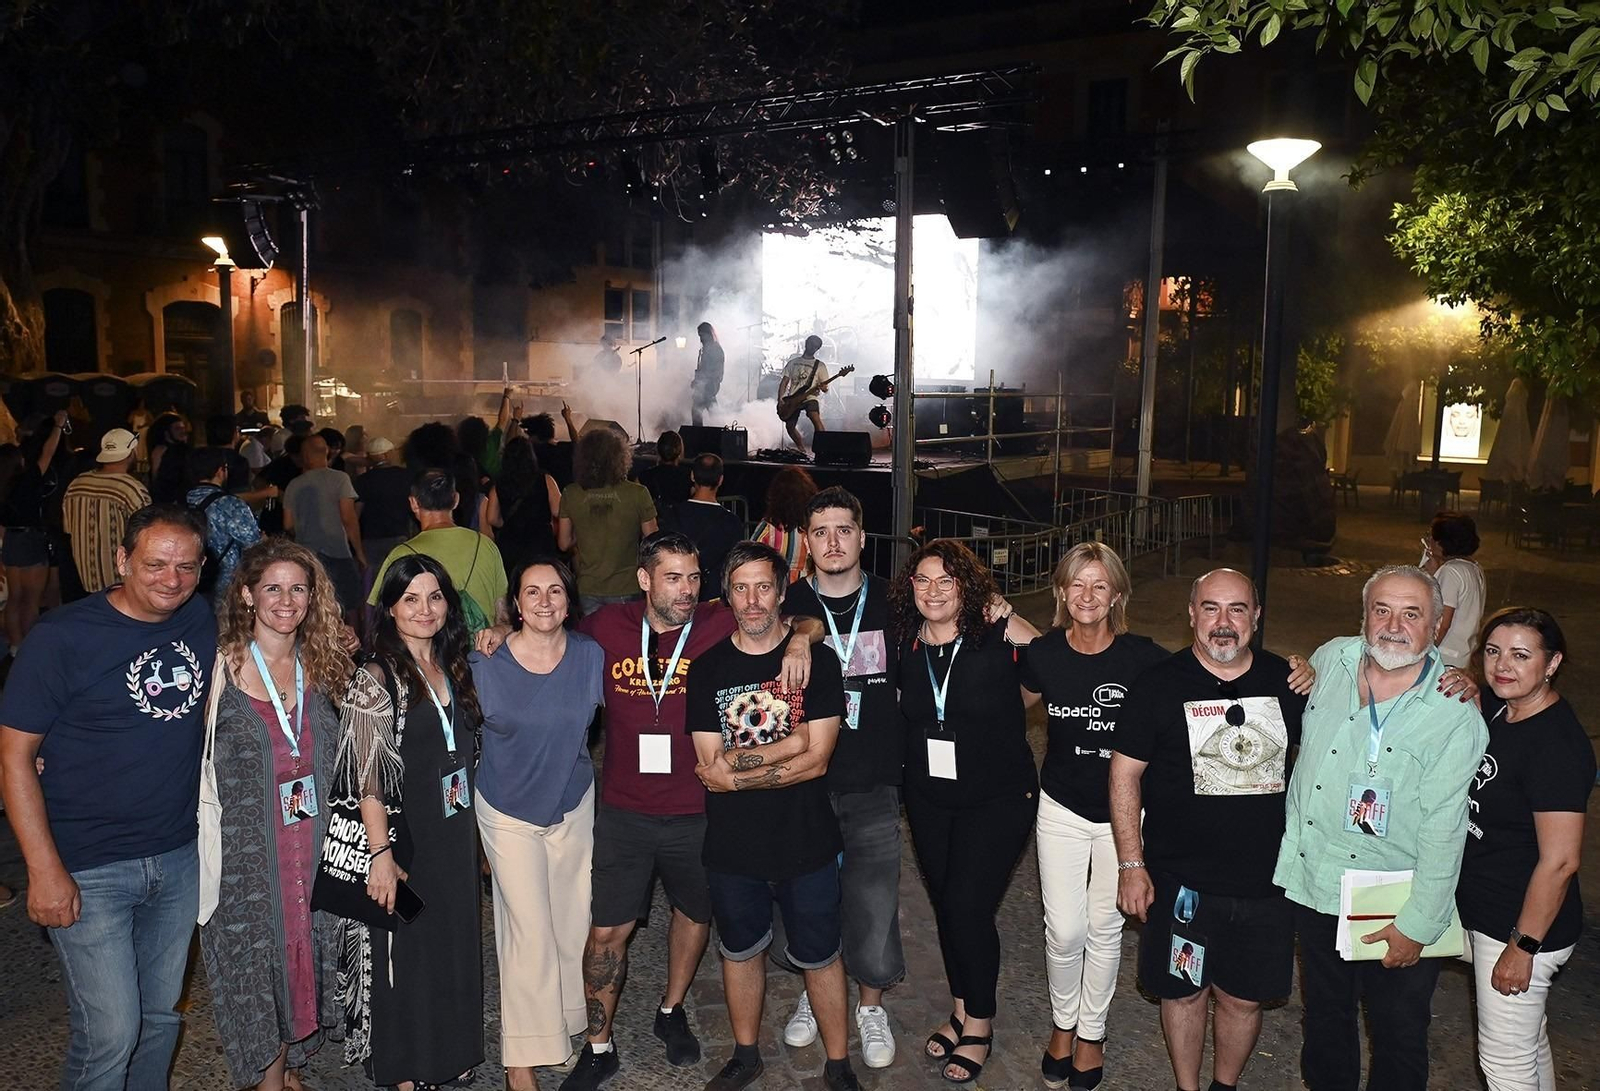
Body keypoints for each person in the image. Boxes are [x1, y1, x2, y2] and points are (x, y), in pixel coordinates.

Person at [556, 532, 815, 1091]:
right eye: (673, 577)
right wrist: (497, 633)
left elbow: (796, 621)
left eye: (695, 577)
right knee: (607, 931)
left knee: (694, 915)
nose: (688, 590)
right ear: (644, 579)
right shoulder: (606, 627)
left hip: (701, 807)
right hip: (624, 810)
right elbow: (548, 642)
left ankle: (671, 1009)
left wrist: (800, 645)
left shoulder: (720, 620)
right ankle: (598, 1046)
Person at [0, 504, 217, 1091]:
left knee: (158, 1019)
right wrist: (43, 870)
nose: (172, 580)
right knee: (111, 1033)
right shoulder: (63, 637)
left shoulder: (198, 617)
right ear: (122, 560)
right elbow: (15, 755)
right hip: (87, 864)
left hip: (176, 857)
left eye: (188, 567)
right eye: (155, 564)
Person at [1275, 564, 1487, 1091]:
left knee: (1398, 1033)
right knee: (1324, 1021)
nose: (1394, 625)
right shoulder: (1333, 657)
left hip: (1395, 898)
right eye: (1382, 610)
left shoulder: (1454, 713)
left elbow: (1446, 828)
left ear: (1437, 626)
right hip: (1318, 883)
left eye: (1412, 614)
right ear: (1364, 615)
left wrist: (1419, 924)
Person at [1110, 568, 1306, 1091]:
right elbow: (1124, 775)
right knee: (1184, 991)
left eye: (1237, 609)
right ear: (1192, 613)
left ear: (1256, 617)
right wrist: (1132, 865)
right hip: (1180, 881)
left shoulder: (1288, 684)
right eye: (1212, 608)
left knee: (1241, 998)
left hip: (1266, 882)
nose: (1224, 622)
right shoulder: (1157, 684)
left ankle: (1224, 1086)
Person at [687, 540, 859, 1091]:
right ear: (726, 596)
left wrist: (738, 774)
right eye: (741, 588)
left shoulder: (817, 661)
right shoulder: (709, 669)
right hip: (733, 843)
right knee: (739, 951)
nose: (753, 600)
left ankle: (838, 1064)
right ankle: (745, 1054)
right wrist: (789, 745)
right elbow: (709, 764)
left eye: (764, 587)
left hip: (805, 838)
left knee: (821, 954)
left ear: (783, 591)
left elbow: (820, 760)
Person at [200, 539, 354, 1091]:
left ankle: (285, 1065)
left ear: (312, 599)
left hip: (313, 849)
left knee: (303, 956)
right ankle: (268, 1078)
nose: (286, 600)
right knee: (256, 966)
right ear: (247, 595)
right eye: (272, 588)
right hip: (247, 858)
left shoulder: (324, 666)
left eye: (298, 589)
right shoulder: (218, 672)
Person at [892, 538, 1040, 1085]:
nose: (933, 591)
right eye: (923, 580)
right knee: (947, 906)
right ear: (911, 587)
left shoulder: (996, 634)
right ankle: (959, 1009)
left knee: (967, 906)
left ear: (966, 587)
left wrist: (1010, 611)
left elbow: (1056, 663)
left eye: (946, 581)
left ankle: (979, 1022)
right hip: (929, 798)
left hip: (999, 798)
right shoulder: (905, 640)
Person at [340, 554, 485, 1089]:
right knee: (408, 950)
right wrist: (380, 856)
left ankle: (452, 1049)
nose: (425, 610)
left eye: (435, 597)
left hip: (454, 831)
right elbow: (366, 776)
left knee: (453, 941)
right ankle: (408, 1067)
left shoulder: (455, 663)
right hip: (405, 841)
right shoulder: (376, 676)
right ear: (391, 609)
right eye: (411, 599)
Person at [778, 487, 906, 1069]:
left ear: (861, 535)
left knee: (874, 899)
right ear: (807, 540)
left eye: (843, 530)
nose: (832, 542)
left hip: (875, 778)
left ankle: (870, 1005)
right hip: (805, 781)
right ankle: (815, 992)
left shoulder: (895, 601)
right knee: (810, 895)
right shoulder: (785, 605)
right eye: (820, 532)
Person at [472, 557, 604, 1090]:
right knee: (527, 930)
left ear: (569, 601)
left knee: (572, 920)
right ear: (515, 603)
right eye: (532, 592)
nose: (545, 600)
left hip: (572, 801)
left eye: (555, 591)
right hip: (506, 809)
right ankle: (520, 1060)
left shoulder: (591, 656)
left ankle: (563, 1024)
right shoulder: (485, 660)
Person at [1461, 607, 1593, 1091]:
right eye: (1493, 652)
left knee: (1504, 1064)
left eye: (1521, 655)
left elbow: (1561, 861)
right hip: (1494, 911)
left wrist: (1522, 947)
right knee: (1528, 1046)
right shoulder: (1503, 709)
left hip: (1519, 926)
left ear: (1552, 663)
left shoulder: (1555, 744)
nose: (1502, 666)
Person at [366, 470, 508, 635]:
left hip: (427, 656)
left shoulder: (401, 555)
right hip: (482, 651)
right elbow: (502, 610)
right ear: (456, 499)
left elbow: (380, 613)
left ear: (413, 503)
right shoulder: (485, 545)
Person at [558, 426, 658, 615]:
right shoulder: (637, 493)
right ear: (620, 457)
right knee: (623, 642)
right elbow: (653, 540)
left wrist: (585, 534)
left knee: (591, 641)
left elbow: (563, 543)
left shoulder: (571, 493)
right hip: (627, 586)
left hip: (587, 587)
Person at [1, 410, 69, 655]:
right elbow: (47, 453)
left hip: (10, 539)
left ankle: (15, 646)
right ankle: (30, 647)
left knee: (14, 598)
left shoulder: (3, 484)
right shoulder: (27, 479)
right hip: (30, 538)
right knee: (31, 599)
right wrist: (58, 426)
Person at [282, 433, 366, 617]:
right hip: (338, 552)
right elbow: (349, 519)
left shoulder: (294, 485)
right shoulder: (340, 479)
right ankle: (353, 643)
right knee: (350, 606)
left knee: (315, 610)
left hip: (307, 556)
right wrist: (359, 553)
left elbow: (288, 524)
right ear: (327, 452)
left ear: (304, 456)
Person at [61, 427, 151, 596]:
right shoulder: (132, 489)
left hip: (83, 583)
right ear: (132, 452)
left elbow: (68, 530)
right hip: (120, 586)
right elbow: (148, 538)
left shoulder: (77, 484)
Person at [660, 453, 744, 602]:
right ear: (720, 480)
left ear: (692, 476)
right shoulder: (732, 522)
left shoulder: (672, 515)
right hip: (714, 597)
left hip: (677, 593)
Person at [187, 447, 266, 604]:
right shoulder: (231, 505)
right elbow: (254, 545)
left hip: (189, 584)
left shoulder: (181, 500)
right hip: (224, 589)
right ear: (220, 471)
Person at [483, 437, 560, 578]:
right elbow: (558, 510)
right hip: (540, 543)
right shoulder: (545, 480)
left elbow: (492, 518)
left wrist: (508, 523)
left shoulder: (498, 485)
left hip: (511, 545)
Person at [1422, 510, 1486, 668]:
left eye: (1431, 536)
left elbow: (1442, 623)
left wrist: (1423, 652)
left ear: (1441, 543)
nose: (1428, 541)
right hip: (1463, 654)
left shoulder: (1450, 571)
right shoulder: (1474, 568)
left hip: (1444, 657)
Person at [353, 437, 413, 577]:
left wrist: (358, 549)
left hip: (370, 541)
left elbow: (355, 514)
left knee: (373, 582)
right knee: (398, 579)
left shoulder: (363, 480)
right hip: (399, 537)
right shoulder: (405, 476)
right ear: (387, 454)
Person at [752, 466, 816, 583]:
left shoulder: (768, 527)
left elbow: (750, 557)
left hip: (776, 587)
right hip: (808, 586)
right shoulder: (814, 526)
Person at [778, 335, 835, 456]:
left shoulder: (820, 365)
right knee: (789, 426)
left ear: (817, 349)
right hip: (793, 398)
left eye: (815, 346)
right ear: (806, 343)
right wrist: (780, 399)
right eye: (811, 344)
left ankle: (823, 449)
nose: (812, 347)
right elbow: (784, 382)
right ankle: (801, 449)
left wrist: (823, 387)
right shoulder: (793, 363)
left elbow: (825, 389)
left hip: (810, 397)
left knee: (815, 417)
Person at [638, 430, 693, 515]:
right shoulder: (689, 476)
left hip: (652, 524)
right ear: (679, 451)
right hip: (680, 524)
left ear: (658, 450)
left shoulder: (644, 476)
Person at [147, 413, 192, 503]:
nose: (182, 432)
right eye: (177, 429)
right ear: (166, 432)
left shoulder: (187, 451)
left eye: (183, 428)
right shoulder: (160, 451)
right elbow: (155, 479)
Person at [690, 322, 724, 427]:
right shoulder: (704, 350)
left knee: (710, 411)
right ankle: (701, 434)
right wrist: (697, 381)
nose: (700, 339)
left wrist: (704, 380)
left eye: (702, 335)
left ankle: (720, 432)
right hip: (703, 385)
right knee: (699, 411)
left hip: (710, 385)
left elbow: (716, 370)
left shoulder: (716, 349)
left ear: (708, 334)